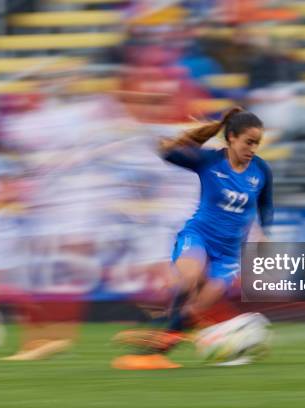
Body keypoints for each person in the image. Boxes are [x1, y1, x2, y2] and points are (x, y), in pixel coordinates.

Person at [112, 107, 274, 370]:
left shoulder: (261, 171)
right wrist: (195, 137)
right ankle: (157, 344)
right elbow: (168, 153)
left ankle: (156, 343)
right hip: (199, 236)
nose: (253, 148)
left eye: (257, 143)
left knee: (196, 309)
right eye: (249, 142)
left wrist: (266, 233)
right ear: (231, 138)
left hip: (229, 253)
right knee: (188, 279)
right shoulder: (209, 160)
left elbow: (267, 206)